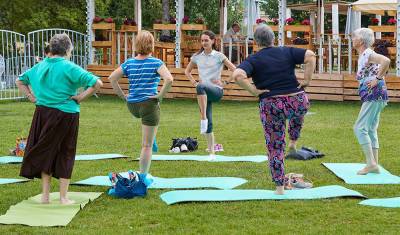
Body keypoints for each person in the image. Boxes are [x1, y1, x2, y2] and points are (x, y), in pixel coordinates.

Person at [16, 33, 103, 204]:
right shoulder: (69, 67)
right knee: (66, 151)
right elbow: (97, 83)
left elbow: (20, 80)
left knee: (46, 151)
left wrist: (30, 96)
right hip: (66, 114)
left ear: (52, 48)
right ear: (68, 49)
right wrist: (81, 97)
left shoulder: (40, 66)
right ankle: (63, 197)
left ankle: (45, 196)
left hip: (42, 113)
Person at [232, 25, 316, 194]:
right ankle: (293, 141)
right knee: (297, 113)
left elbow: (237, 76)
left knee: (275, 147)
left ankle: (279, 187)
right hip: (298, 101)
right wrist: (307, 80)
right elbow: (311, 55)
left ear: (256, 42)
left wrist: (254, 91)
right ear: (274, 39)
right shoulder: (286, 51)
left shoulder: (253, 59)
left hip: (272, 105)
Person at [108, 30, 173, 181]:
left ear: (136, 44)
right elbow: (169, 79)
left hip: (133, 106)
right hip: (148, 105)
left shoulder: (129, 62)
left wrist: (122, 96)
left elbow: (112, 78)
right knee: (146, 145)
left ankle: (152, 137)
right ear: (152, 45)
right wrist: (160, 95)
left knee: (147, 126)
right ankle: (143, 177)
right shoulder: (156, 63)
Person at [185, 30, 236, 161]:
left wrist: (224, 82)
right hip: (203, 95)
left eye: (206, 40)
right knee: (210, 123)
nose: (204, 43)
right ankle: (212, 152)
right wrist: (194, 82)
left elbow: (236, 70)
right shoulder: (197, 56)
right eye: (202, 40)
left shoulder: (219, 56)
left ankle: (202, 118)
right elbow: (187, 71)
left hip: (216, 91)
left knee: (200, 86)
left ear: (213, 41)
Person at [351, 28, 390, 175]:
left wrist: (377, 79)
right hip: (377, 94)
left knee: (359, 128)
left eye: (355, 37)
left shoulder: (368, 53)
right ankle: (374, 164)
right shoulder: (364, 54)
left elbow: (385, 61)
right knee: (371, 129)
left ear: (361, 41)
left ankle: (371, 164)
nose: (352, 39)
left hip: (374, 93)